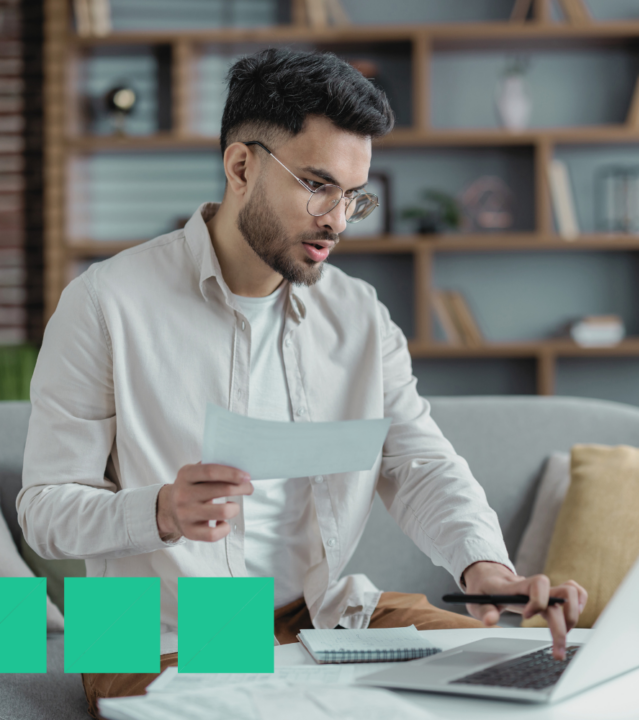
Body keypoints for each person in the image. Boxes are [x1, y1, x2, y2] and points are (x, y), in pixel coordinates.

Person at [18, 48, 586, 718]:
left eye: (353, 196)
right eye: (317, 185)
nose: (338, 221)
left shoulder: (358, 315)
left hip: (324, 613)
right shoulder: (105, 303)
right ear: (240, 167)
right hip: (149, 629)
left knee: (542, 677)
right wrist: (162, 510)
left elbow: (418, 462)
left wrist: (484, 566)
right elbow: (45, 511)